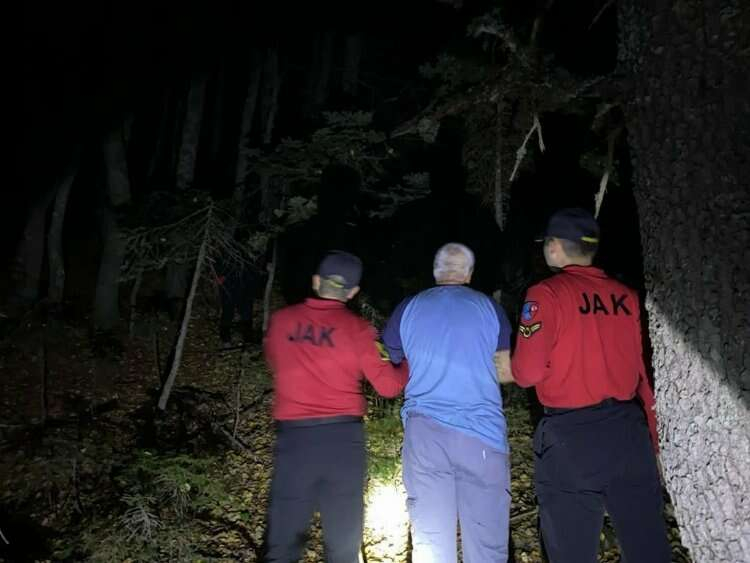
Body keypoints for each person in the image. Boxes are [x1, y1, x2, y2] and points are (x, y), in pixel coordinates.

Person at [509, 207, 671, 563]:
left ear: (555, 246)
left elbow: (528, 373)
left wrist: (513, 365)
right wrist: (656, 444)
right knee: (647, 546)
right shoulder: (627, 296)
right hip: (628, 433)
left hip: (571, 438)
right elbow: (644, 376)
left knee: (570, 549)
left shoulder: (546, 294)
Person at [263, 250, 408, 562]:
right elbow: (389, 386)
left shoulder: (281, 320)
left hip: (294, 442)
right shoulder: (359, 330)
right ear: (353, 292)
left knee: (282, 544)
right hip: (343, 443)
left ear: (317, 281)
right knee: (342, 545)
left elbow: (275, 361)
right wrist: (407, 363)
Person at [383, 243, 513, 563]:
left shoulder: (409, 307)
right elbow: (505, 372)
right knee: (487, 542)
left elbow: (391, 358)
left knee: (430, 539)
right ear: (468, 274)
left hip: (425, 434)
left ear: (435, 272)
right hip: (482, 436)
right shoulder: (489, 308)